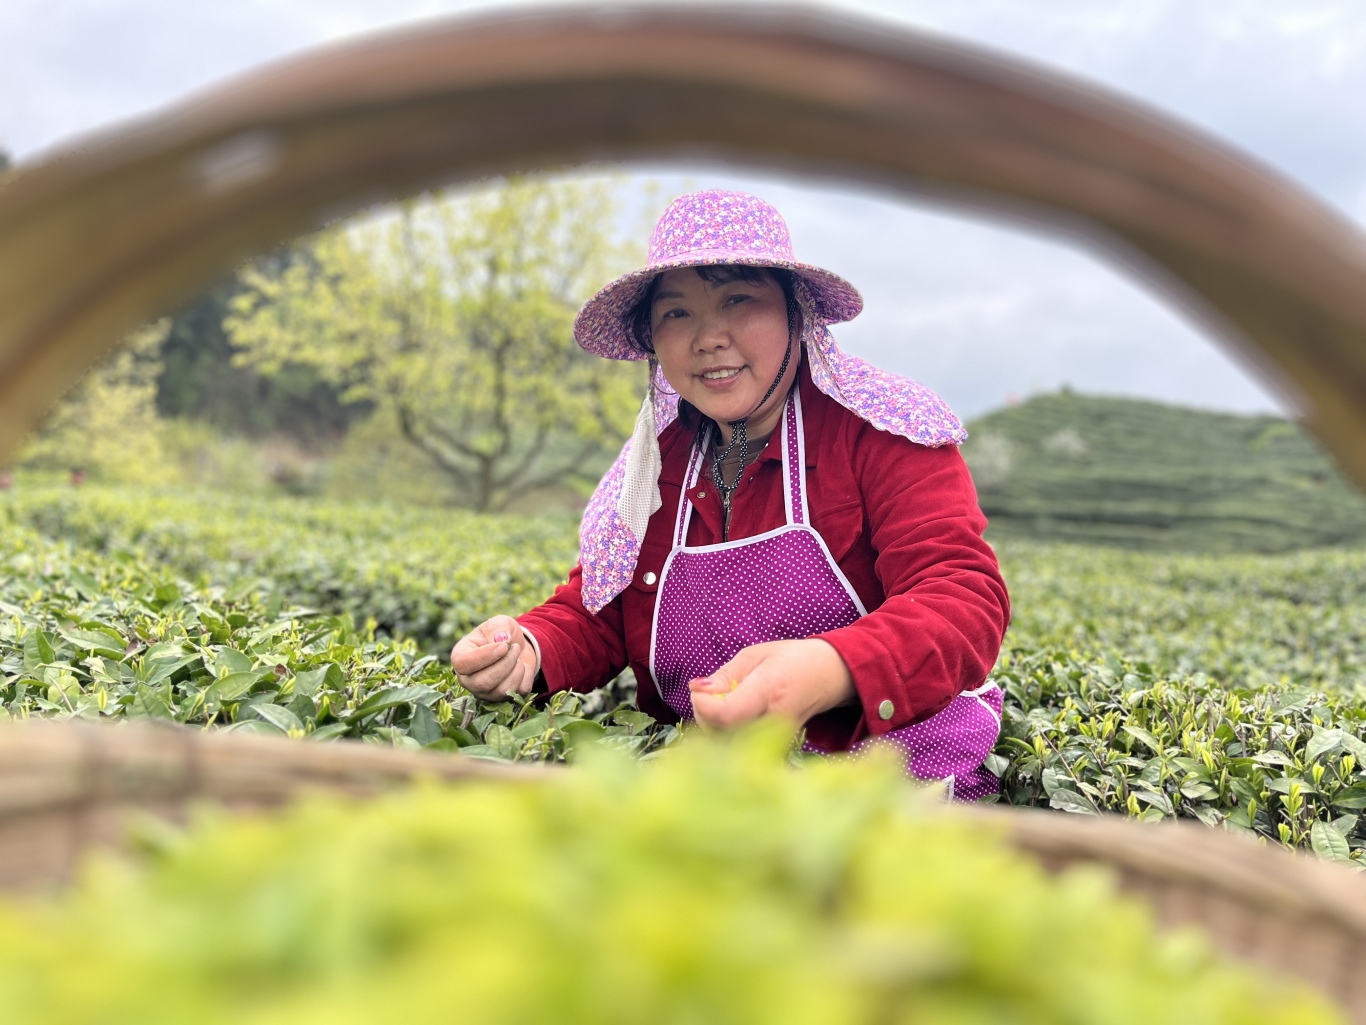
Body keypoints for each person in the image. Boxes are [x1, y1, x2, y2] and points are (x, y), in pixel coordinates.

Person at [451, 189, 1010, 798]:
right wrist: (528, 649)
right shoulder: (657, 462)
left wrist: (833, 668)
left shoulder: (882, 432)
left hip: (884, 776)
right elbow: (604, 611)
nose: (708, 338)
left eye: (739, 300)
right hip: (708, 785)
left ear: (795, 312)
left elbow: (961, 595)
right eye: (676, 313)